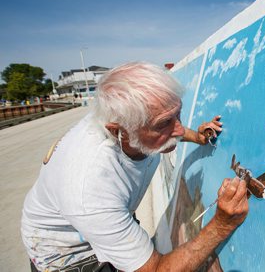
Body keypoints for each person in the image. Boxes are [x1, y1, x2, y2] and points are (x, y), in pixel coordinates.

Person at [21, 62, 249, 272]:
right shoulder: (90, 187)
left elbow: (169, 124)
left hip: (94, 220)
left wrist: (197, 137)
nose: (179, 130)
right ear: (118, 131)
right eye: (164, 124)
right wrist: (220, 225)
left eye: (177, 114)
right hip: (69, 255)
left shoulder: (132, 120)